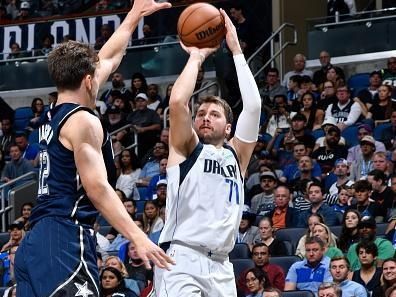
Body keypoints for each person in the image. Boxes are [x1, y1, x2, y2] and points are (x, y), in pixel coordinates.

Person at [14, 1, 174, 296]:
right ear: (88, 81)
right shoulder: (83, 121)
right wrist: (137, 236)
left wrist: (134, 14)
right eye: (95, 76)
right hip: (64, 237)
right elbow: (97, 188)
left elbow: (110, 56)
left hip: (35, 242)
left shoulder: (55, 111)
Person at [155, 9, 261, 297]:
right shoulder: (186, 148)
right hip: (181, 258)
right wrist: (196, 56)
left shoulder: (237, 155)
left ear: (228, 128)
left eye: (214, 114)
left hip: (222, 266)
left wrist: (236, 50)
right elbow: (178, 102)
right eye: (200, 113)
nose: (204, 117)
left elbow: (253, 107)